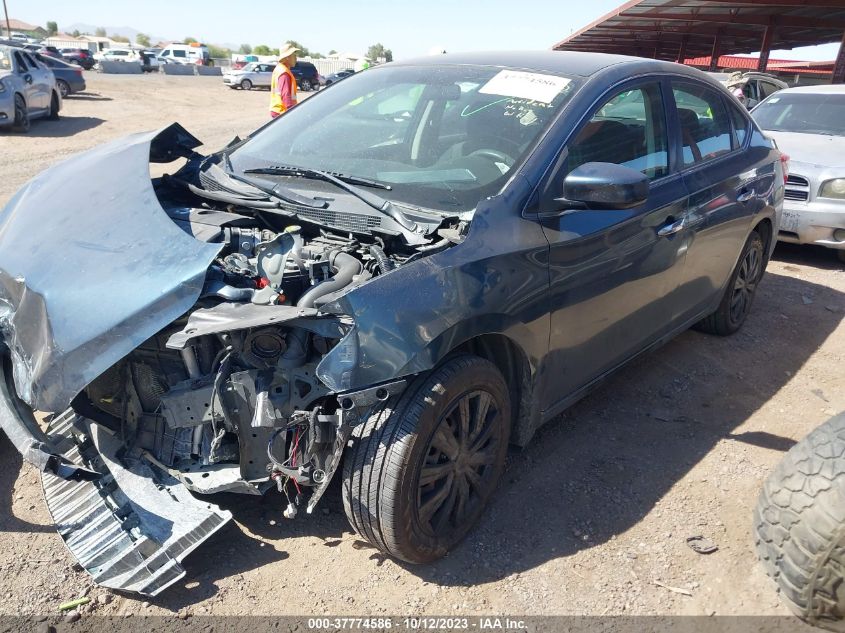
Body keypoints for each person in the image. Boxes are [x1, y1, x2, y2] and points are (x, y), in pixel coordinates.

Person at [269, 43, 299, 118]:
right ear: (287, 57)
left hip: (278, 110)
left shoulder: (280, 69)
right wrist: (291, 113)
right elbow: (286, 95)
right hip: (282, 112)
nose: (296, 58)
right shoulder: (284, 73)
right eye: (294, 55)